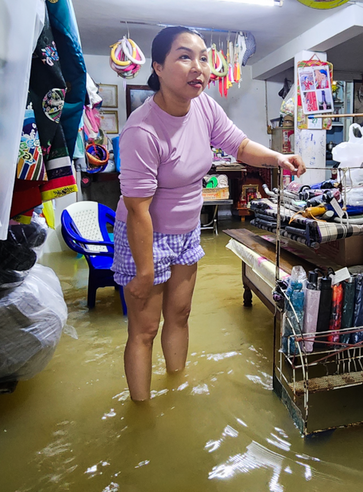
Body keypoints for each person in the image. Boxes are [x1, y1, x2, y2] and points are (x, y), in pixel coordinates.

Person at [114, 27, 306, 402]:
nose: (198, 67)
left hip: (186, 233)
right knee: (144, 330)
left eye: (203, 57)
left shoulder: (204, 107)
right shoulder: (142, 129)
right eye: (184, 56)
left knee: (180, 314)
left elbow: (239, 145)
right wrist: (145, 270)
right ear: (158, 66)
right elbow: (137, 208)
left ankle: (176, 391)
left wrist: (278, 158)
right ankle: (141, 414)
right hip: (144, 235)